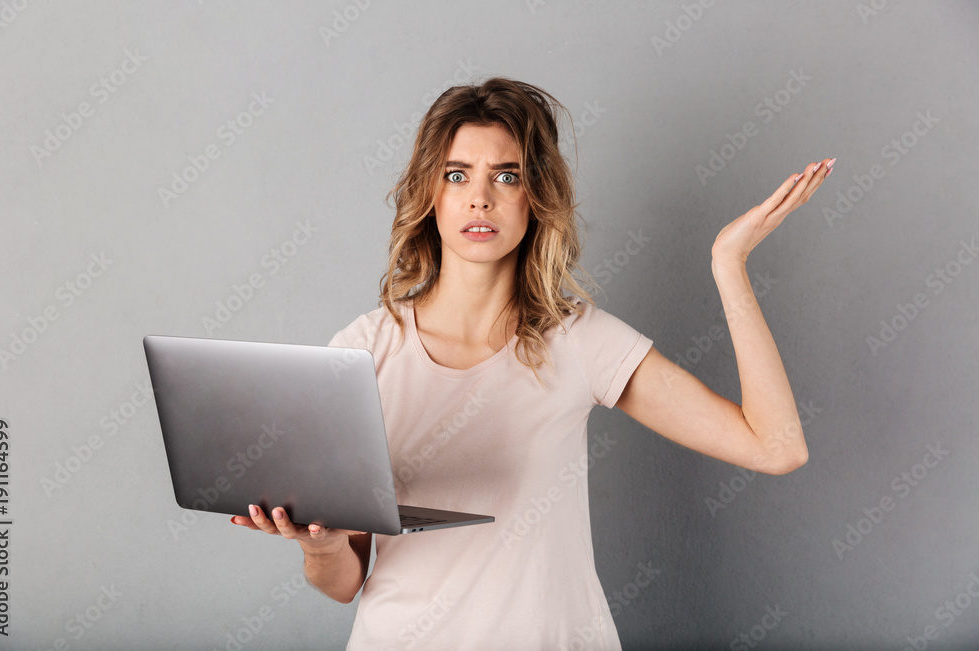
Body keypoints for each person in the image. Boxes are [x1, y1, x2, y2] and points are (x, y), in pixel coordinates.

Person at [230, 77, 834, 649]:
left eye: (507, 176)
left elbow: (777, 447)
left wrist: (728, 265)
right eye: (457, 174)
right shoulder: (363, 352)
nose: (480, 198)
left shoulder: (579, 341)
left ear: (536, 197)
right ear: (429, 195)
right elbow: (341, 583)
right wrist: (323, 545)